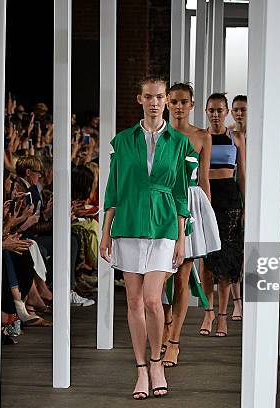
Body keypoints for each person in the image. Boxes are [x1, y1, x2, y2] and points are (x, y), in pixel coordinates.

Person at [100, 76, 193, 400]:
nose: (154, 102)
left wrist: (182, 237)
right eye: (148, 97)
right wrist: (105, 231)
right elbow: (114, 188)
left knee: (153, 300)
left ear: (166, 100)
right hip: (128, 223)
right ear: (139, 99)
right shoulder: (122, 141)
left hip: (164, 225)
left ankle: (157, 363)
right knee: (135, 301)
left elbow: (182, 193)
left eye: (159, 97)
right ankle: (141, 370)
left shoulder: (179, 143)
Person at [161, 83, 220, 368]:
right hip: (161, 204)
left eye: (183, 101)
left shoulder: (202, 136)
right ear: (167, 103)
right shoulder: (159, 134)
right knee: (160, 276)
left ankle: (174, 340)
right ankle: (165, 323)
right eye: (174, 101)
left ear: (192, 104)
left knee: (182, 277)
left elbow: (204, 178)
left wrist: (206, 217)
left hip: (191, 202)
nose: (178, 106)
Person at [200, 93, 246, 338]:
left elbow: (243, 175)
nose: (215, 114)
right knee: (207, 258)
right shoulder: (201, 136)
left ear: (226, 112)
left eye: (219, 110)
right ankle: (208, 311)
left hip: (229, 197)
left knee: (226, 259)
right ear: (206, 112)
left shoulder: (236, 138)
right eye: (211, 110)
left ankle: (222, 316)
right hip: (206, 197)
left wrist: (245, 206)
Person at [228, 94, 247, 321]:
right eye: (236, 109)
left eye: (243, 109)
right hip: (234, 194)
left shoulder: (258, 134)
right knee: (234, 251)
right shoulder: (229, 135)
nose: (239, 113)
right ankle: (237, 303)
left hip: (256, 194)